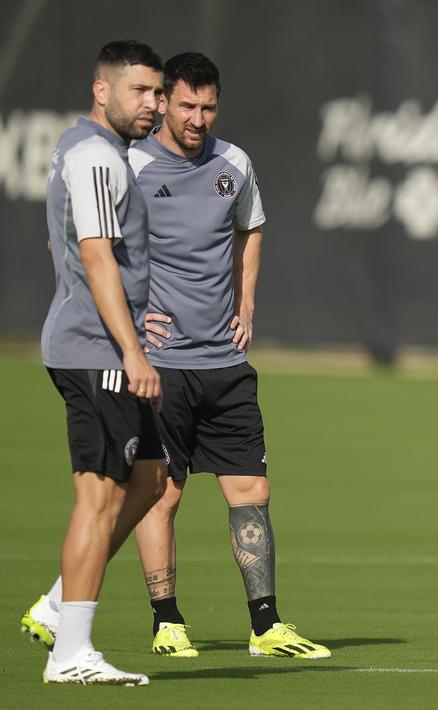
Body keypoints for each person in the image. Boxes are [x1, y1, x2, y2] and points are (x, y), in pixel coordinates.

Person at [22, 51, 329, 661]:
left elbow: (252, 228)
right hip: (154, 362)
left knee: (249, 490)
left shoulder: (233, 164)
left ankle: (266, 626)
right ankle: (164, 621)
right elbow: (90, 248)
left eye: (208, 106)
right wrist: (135, 326)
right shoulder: (122, 161)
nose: (197, 117)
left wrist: (246, 303)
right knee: (154, 492)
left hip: (223, 361)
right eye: (184, 104)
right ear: (162, 103)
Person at [22, 39, 167, 686]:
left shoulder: (89, 152)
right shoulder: (96, 157)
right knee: (100, 497)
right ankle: (69, 651)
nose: (154, 104)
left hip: (99, 339)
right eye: (140, 91)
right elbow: (95, 256)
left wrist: (137, 316)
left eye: (158, 92)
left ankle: (59, 604)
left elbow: (80, 250)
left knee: (152, 478)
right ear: (101, 90)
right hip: (96, 351)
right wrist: (131, 348)